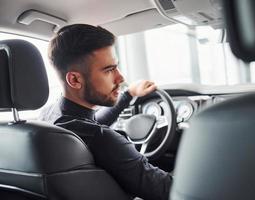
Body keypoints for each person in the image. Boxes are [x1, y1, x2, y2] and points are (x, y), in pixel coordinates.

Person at [39, 24, 172, 200]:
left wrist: (128, 94)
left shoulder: (48, 118)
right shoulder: (103, 140)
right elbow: (169, 191)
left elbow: (91, 124)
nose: (121, 77)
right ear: (75, 79)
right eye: (109, 70)